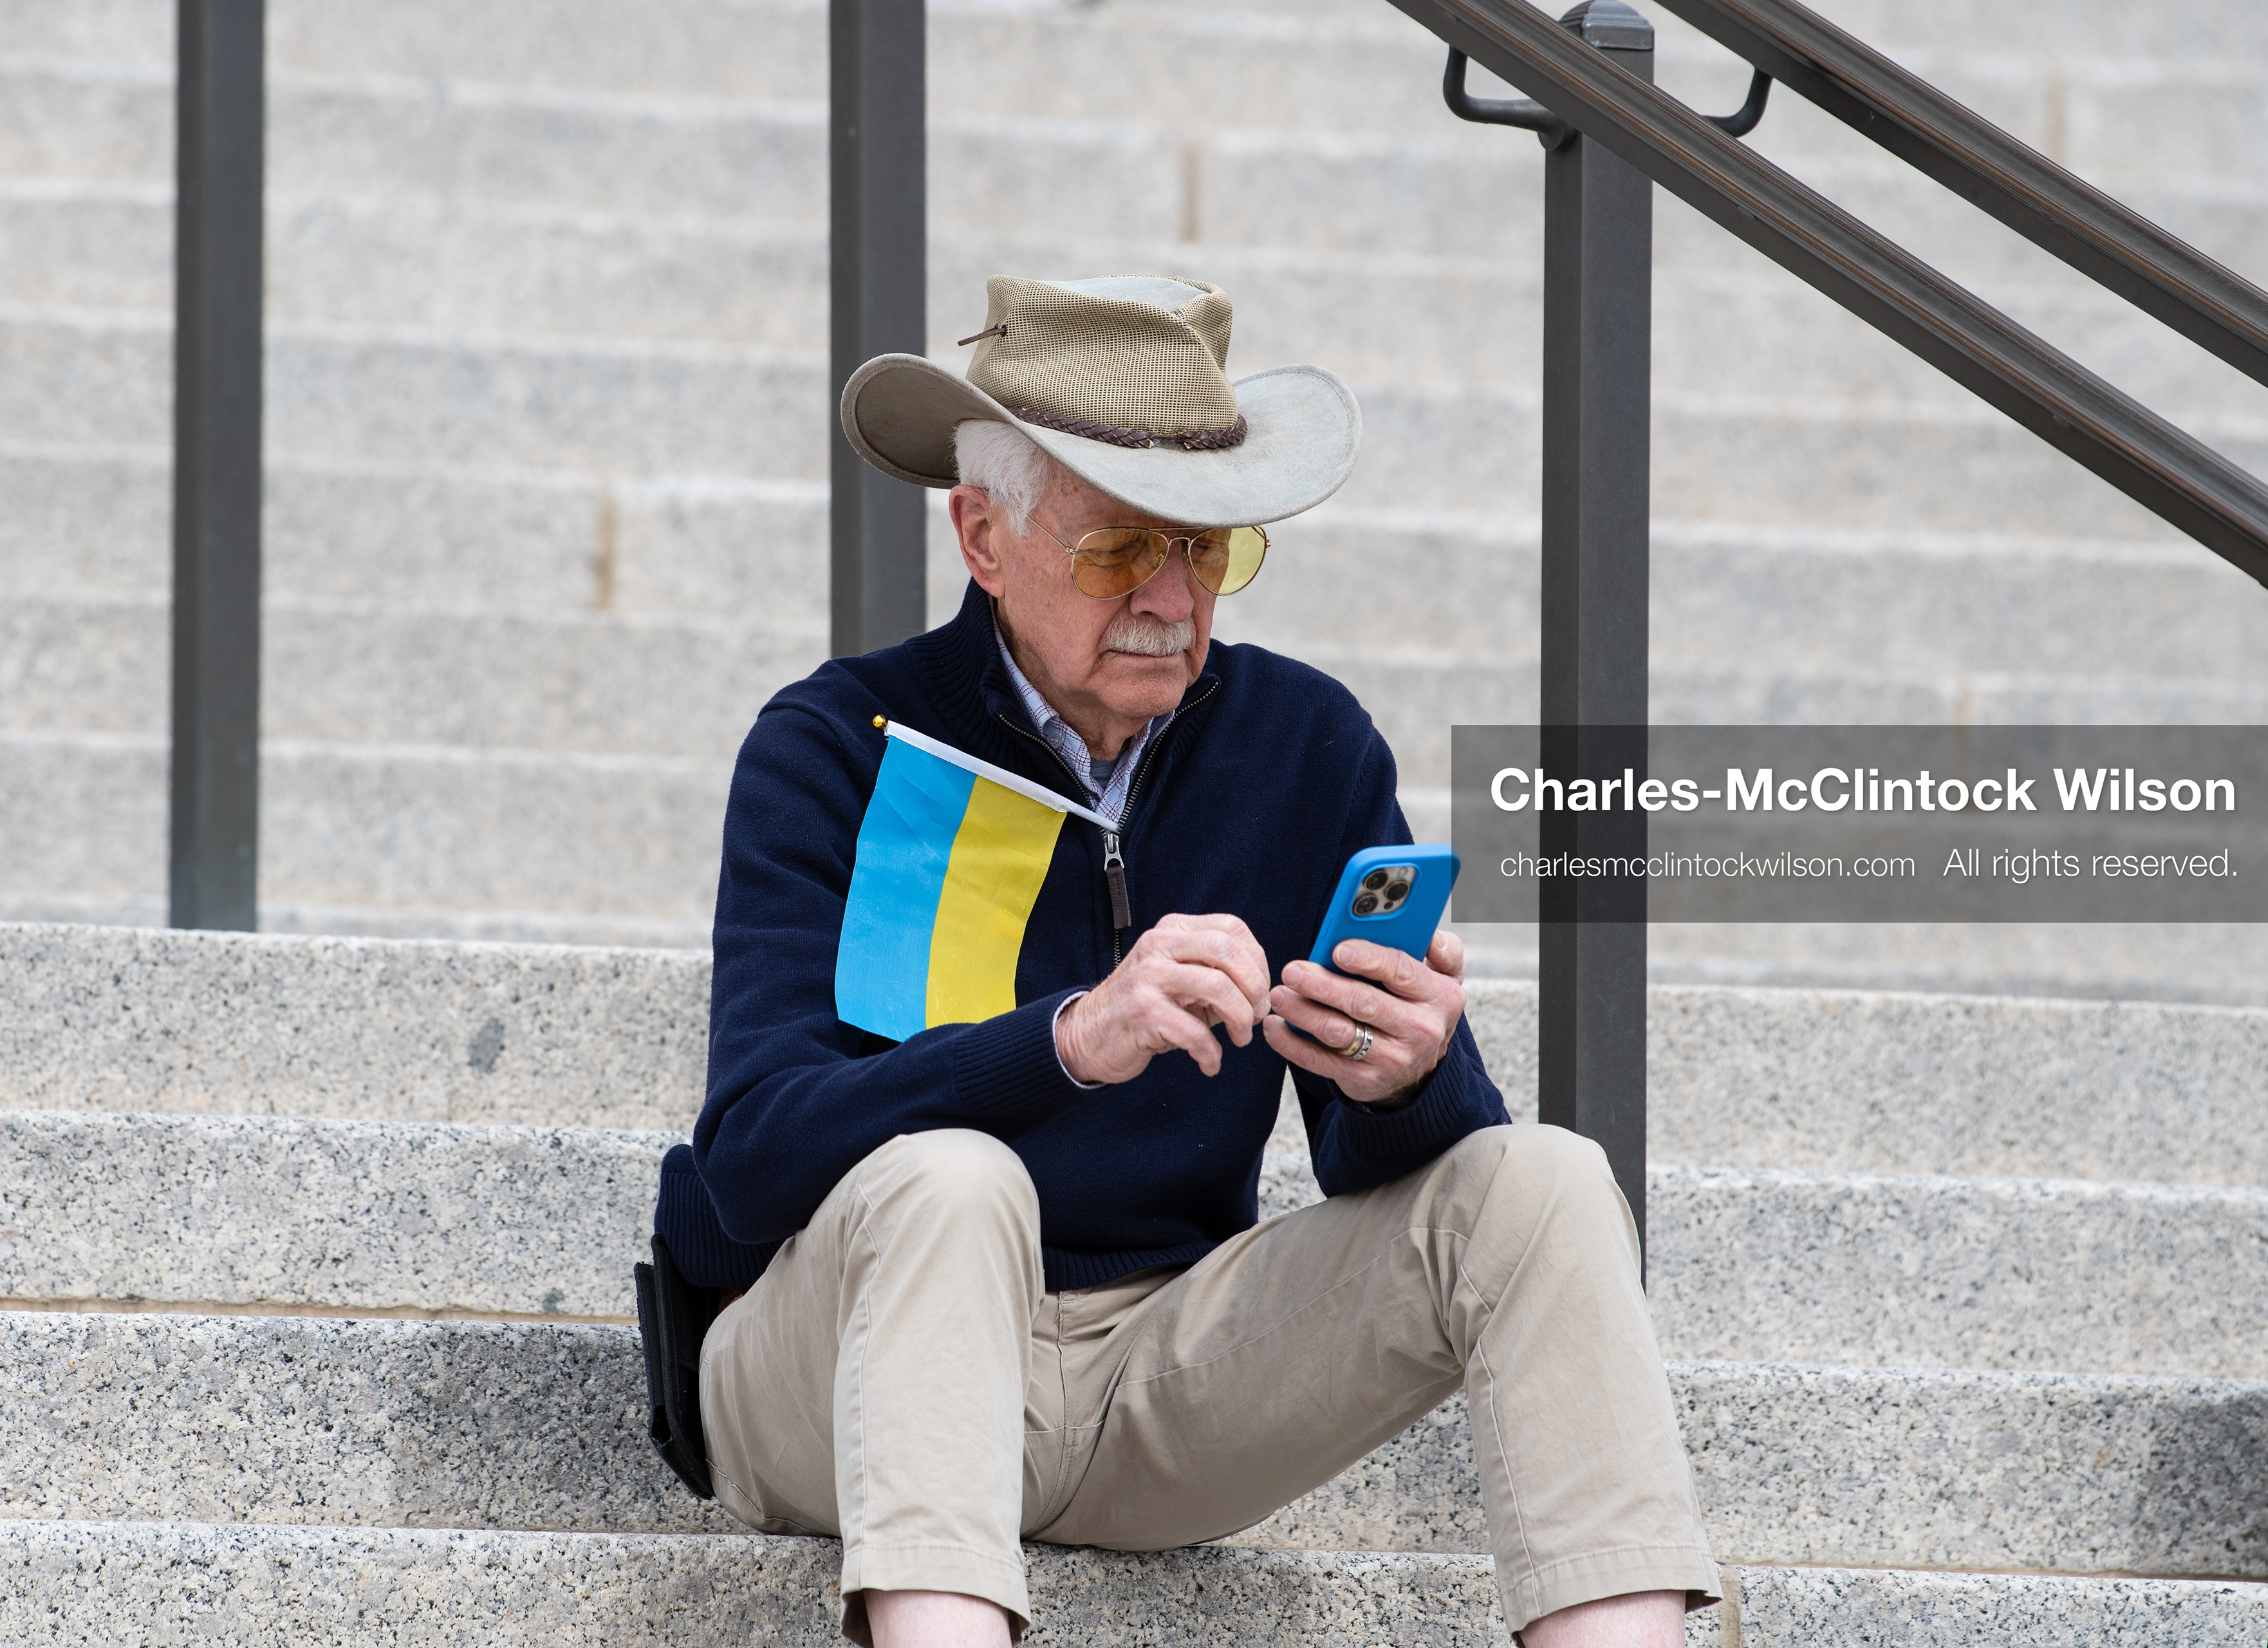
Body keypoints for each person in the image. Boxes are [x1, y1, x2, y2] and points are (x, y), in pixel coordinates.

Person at [651, 275, 1717, 1647]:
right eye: (1117, 551)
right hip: (839, 1363)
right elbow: (751, 1155)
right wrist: (1065, 1040)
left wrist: (1404, 1074)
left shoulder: (1307, 742)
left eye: (1209, 549)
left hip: (1151, 1370)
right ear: (982, 535)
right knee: (952, 1179)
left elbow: (1378, 1168)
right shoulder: (838, 741)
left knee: (1547, 1180)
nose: (1170, 597)